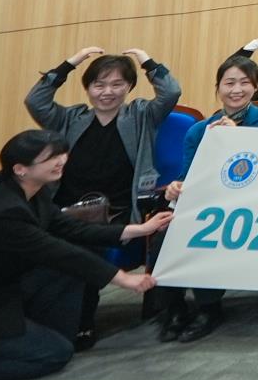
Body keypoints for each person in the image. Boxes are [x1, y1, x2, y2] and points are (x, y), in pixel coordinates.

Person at [0, 130, 174, 380]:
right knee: (55, 355)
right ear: (20, 169)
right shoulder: (4, 211)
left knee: (68, 272)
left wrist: (140, 229)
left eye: (61, 154)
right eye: (50, 158)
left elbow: (70, 228)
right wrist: (123, 278)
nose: (61, 161)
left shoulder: (30, 191)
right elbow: (58, 252)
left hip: (3, 286)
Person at [24, 46, 180, 348]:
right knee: (31, 242)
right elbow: (35, 100)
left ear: (129, 87)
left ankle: (81, 320)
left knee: (82, 246)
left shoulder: (141, 115)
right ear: (88, 88)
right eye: (99, 84)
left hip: (115, 213)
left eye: (117, 84)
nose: (107, 92)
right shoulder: (70, 118)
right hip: (64, 211)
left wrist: (147, 61)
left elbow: (171, 91)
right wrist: (69, 64)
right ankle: (37, 316)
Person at [156, 57, 258, 344]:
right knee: (163, 233)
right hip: (209, 202)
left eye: (244, 83)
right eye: (229, 83)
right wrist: (175, 187)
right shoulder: (199, 130)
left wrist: (236, 138)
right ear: (218, 87)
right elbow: (188, 176)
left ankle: (208, 308)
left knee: (212, 230)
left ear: (255, 87)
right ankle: (175, 309)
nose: (236, 90)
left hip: (256, 204)